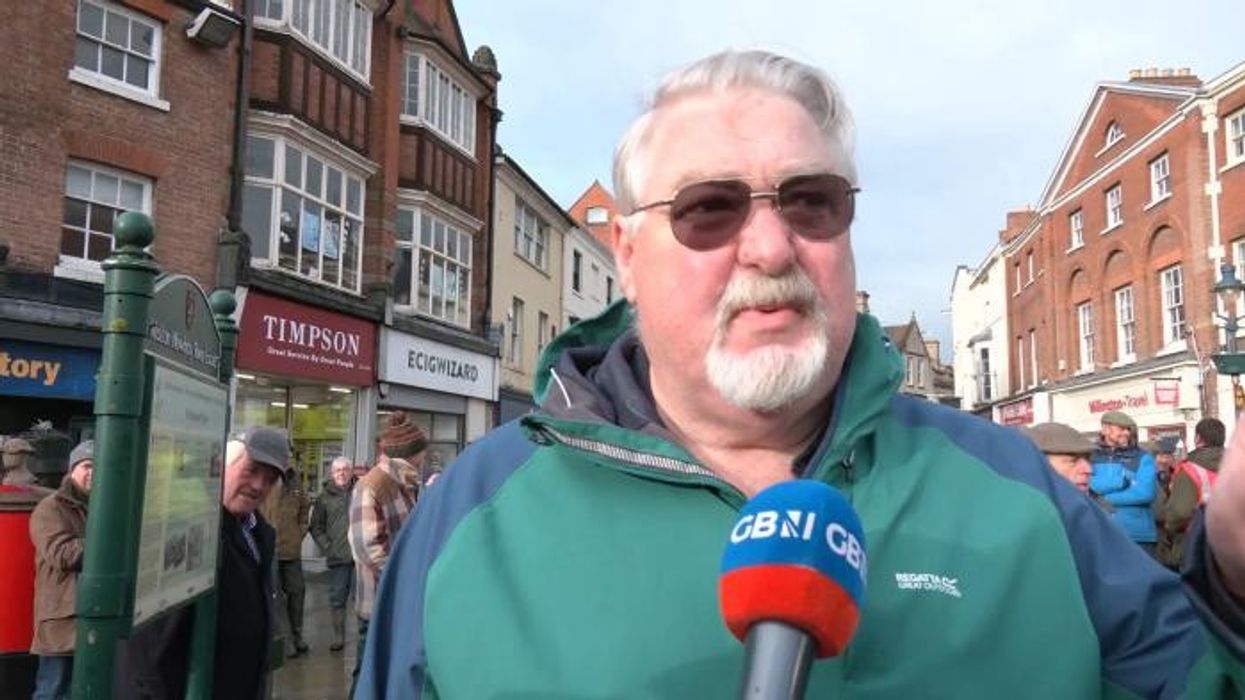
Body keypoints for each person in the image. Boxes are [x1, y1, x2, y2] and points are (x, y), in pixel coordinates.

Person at [356, 50, 1245, 698]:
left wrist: (1236, 578)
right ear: (626, 255)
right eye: (709, 208)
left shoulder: (1016, 491)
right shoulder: (475, 513)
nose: (772, 246)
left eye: (810, 201)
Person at [114, 426, 289, 699]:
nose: (258, 486)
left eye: (269, 479)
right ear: (220, 465)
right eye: (251, 470)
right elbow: (150, 648)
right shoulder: (185, 528)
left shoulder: (257, 533)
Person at [348, 412, 426, 684]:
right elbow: (368, 548)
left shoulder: (406, 483)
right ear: (412, 454)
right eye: (422, 452)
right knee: (368, 674)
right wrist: (405, 577)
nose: (425, 458)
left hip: (402, 600)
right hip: (379, 601)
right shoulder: (372, 486)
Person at [28, 440, 92, 700]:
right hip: (62, 623)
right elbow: (62, 554)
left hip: (93, 617)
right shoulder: (49, 508)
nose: (94, 473)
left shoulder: (104, 504)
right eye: (87, 466)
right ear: (72, 469)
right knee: (54, 691)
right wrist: (108, 541)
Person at [1089, 410, 1159, 555]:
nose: (1126, 433)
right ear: (1105, 429)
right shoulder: (1090, 456)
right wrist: (1120, 481)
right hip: (1100, 532)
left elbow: (1145, 493)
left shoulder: (1143, 457)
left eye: (1128, 429)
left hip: (1138, 535)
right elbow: (1087, 484)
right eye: (1121, 428)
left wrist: (1100, 498)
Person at [1158, 419, 1225, 569]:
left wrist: (1169, 526)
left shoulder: (1190, 469)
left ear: (1198, 438)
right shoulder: (1237, 464)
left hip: (1197, 541)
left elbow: (1179, 512)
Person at [261, 473, 311, 657]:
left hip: (291, 549)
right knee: (276, 597)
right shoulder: (265, 476)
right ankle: (286, 640)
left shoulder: (294, 480)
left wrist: (301, 530)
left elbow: (305, 506)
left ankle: (297, 635)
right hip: (270, 548)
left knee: (297, 591)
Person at [310, 455, 355, 652]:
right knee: (338, 598)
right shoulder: (324, 497)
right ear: (332, 473)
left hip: (360, 556)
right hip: (338, 557)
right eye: (338, 470)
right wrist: (328, 547)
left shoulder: (361, 491)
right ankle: (339, 638)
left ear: (351, 472)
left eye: (345, 470)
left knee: (364, 598)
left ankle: (367, 636)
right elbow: (316, 527)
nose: (342, 474)